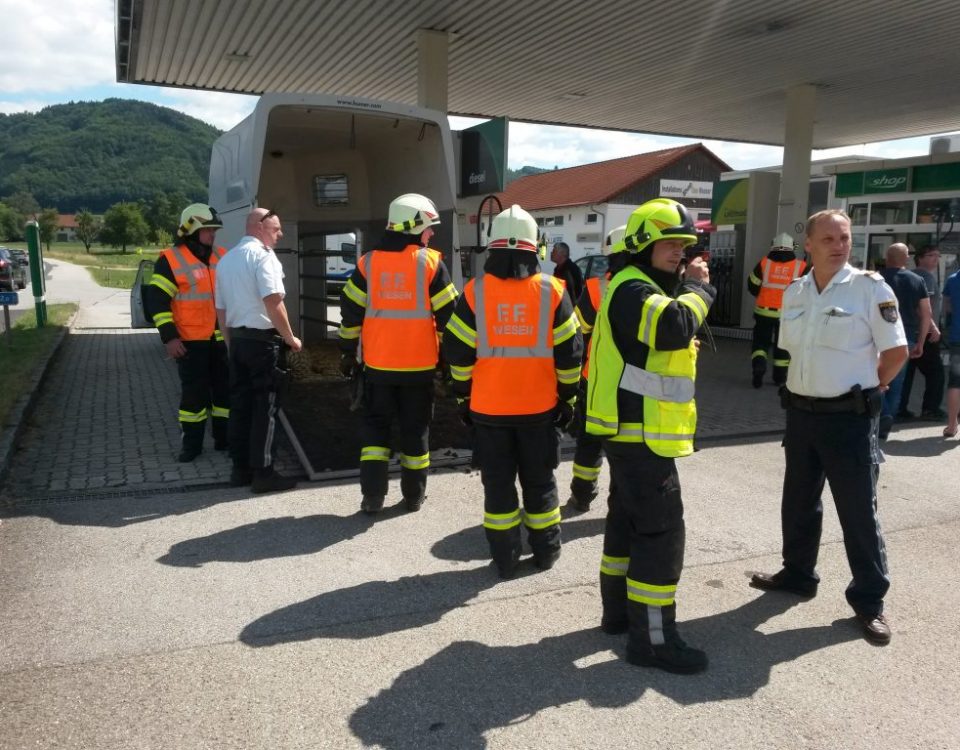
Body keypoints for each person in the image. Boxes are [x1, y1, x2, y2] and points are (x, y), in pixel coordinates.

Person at [751, 209, 908, 646]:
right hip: (801, 415)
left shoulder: (868, 288)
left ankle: (869, 601)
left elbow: (896, 350)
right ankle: (798, 574)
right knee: (798, 502)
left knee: (858, 512)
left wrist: (872, 386)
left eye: (845, 238)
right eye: (830, 238)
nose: (839, 245)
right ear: (809, 244)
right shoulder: (797, 290)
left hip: (849, 419)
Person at [584, 198, 714, 674]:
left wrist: (685, 287)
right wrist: (700, 289)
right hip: (641, 439)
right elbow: (672, 328)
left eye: (684, 244)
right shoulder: (632, 288)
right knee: (660, 536)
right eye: (670, 243)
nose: (679, 252)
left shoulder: (638, 285)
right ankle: (654, 642)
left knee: (626, 526)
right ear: (642, 242)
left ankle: (618, 617)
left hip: (633, 436)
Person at [442, 204, 583, 579]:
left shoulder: (475, 292)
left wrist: (463, 397)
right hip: (540, 412)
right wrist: (568, 399)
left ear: (492, 247)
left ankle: (504, 558)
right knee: (540, 483)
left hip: (488, 412)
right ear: (534, 247)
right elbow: (570, 355)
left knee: (498, 487)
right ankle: (546, 552)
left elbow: (457, 352)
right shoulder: (554, 291)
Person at [338, 193, 458, 514]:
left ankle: (372, 497)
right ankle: (414, 496)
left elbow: (349, 312)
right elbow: (451, 320)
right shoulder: (431, 263)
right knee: (415, 431)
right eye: (428, 227)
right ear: (413, 225)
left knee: (375, 433)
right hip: (419, 371)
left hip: (377, 369)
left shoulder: (369, 263)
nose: (431, 234)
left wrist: (347, 354)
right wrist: (451, 363)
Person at [214, 208, 301, 493]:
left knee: (241, 406)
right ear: (260, 228)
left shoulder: (226, 261)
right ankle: (264, 473)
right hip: (262, 343)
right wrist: (290, 338)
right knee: (266, 408)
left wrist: (230, 345)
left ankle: (239, 470)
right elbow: (273, 301)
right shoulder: (263, 257)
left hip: (237, 342)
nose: (280, 235)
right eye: (276, 229)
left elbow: (221, 309)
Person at [144, 203, 230, 462]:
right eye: (207, 230)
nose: (212, 235)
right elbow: (157, 302)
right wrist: (170, 337)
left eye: (214, 230)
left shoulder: (222, 256)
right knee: (194, 396)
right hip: (190, 343)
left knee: (224, 394)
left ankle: (223, 440)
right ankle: (191, 446)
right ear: (190, 230)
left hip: (220, 340)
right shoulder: (170, 260)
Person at [566, 224, 628, 514]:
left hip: (596, 379)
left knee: (589, 443)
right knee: (626, 450)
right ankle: (621, 503)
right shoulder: (656, 287)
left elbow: (578, 330)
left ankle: (582, 496)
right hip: (635, 384)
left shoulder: (596, 288)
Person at [877, 243, 930, 439]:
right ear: (906, 258)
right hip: (904, 337)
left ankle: (880, 415)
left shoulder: (875, 279)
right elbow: (926, 314)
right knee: (896, 381)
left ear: (886, 257)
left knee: (873, 378)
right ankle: (887, 418)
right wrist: (921, 342)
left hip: (876, 336)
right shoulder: (917, 280)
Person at [746, 232, 807, 388]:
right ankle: (779, 378)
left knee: (760, 343)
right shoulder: (801, 266)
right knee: (783, 346)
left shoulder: (764, 263)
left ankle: (759, 367)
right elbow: (808, 291)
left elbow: (752, 285)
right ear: (792, 248)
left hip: (763, 312)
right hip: (788, 315)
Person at [898, 245, 944, 420]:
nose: (936, 259)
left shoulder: (910, 276)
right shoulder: (926, 277)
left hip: (910, 332)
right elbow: (923, 307)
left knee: (907, 373)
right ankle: (930, 409)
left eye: (938, 256)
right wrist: (933, 327)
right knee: (936, 374)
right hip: (923, 333)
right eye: (931, 255)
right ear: (920, 258)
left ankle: (900, 409)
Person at [942, 266, 960, 438]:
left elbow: (947, 308)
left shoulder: (953, 280)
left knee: (955, 383)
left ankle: (952, 425)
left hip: (957, 337)